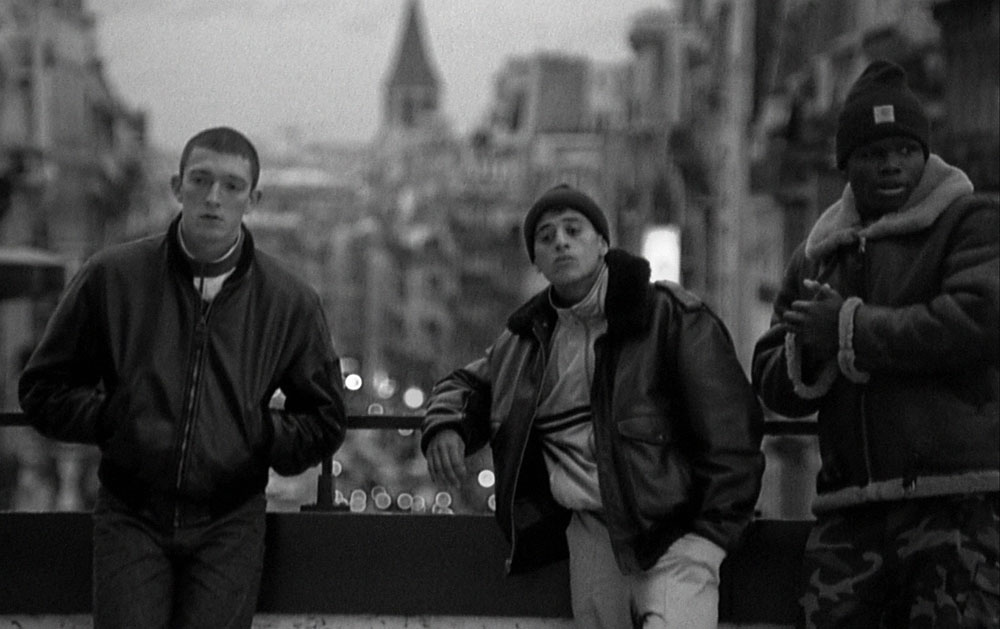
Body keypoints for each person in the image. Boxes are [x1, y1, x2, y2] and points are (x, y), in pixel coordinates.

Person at [19, 126, 347, 628]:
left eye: (232, 186)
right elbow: (43, 389)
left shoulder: (289, 301)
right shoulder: (113, 276)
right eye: (201, 180)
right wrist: (116, 420)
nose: (214, 197)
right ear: (177, 187)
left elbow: (325, 419)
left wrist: (255, 435)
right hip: (130, 513)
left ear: (253, 200)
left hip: (230, 521)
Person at [422, 183, 764, 628]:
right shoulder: (524, 344)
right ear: (536, 261)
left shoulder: (669, 317)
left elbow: (732, 429)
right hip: (591, 535)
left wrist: (709, 537)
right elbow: (467, 383)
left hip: (674, 532)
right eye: (546, 237)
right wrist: (446, 424)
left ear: (602, 243)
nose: (560, 242)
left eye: (573, 230)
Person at [752, 60, 999, 628]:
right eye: (873, 153)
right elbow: (769, 373)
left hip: (956, 506)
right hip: (851, 516)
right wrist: (811, 349)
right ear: (845, 165)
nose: (892, 164)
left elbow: (979, 321)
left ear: (925, 156)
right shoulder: (818, 253)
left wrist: (850, 329)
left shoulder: (971, 221)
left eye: (905, 150)